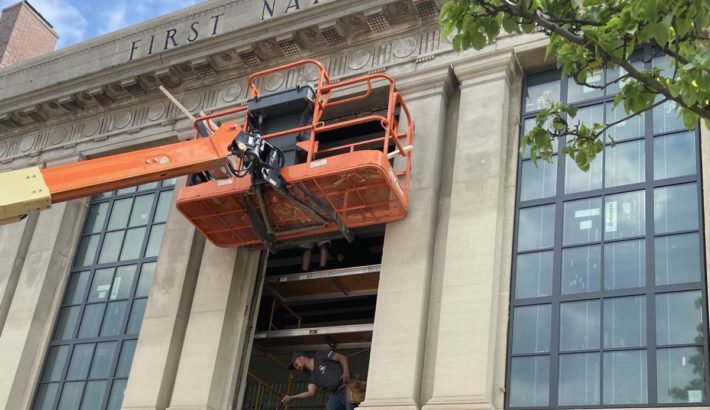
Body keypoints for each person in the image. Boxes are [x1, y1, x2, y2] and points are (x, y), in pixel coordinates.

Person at [282, 350, 352, 410]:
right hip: (335, 394)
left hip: (347, 387)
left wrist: (346, 372)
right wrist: (291, 397)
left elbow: (342, 357)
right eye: (296, 367)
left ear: (301, 357)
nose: (297, 368)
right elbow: (310, 393)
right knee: (330, 407)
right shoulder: (311, 376)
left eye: (296, 364)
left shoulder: (319, 355)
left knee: (352, 407)